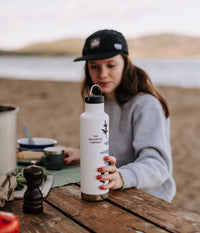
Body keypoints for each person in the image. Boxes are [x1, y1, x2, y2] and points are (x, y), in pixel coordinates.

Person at [64, 29, 176, 202]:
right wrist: (84, 153)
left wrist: (122, 177)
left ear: (125, 63)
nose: (102, 74)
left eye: (111, 65)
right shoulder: (100, 103)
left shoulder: (146, 104)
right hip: (112, 193)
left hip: (147, 200)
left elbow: (159, 166)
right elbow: (115, 153)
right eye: (94, 66)